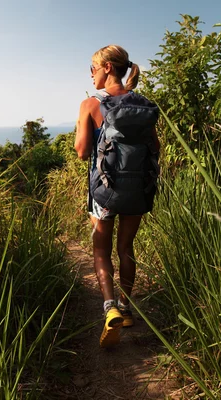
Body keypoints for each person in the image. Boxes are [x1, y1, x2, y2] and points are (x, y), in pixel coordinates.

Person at [74, 44, 160, 348]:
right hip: (137, 188)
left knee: (101, 249)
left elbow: (83, 151)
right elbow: (155, 148)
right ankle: (126, 308)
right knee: (126, 247)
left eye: (93, 68)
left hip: (104, 189)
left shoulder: (90, 104)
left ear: (108, 67)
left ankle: (110, 308)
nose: (92, 74)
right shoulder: (144, 104)